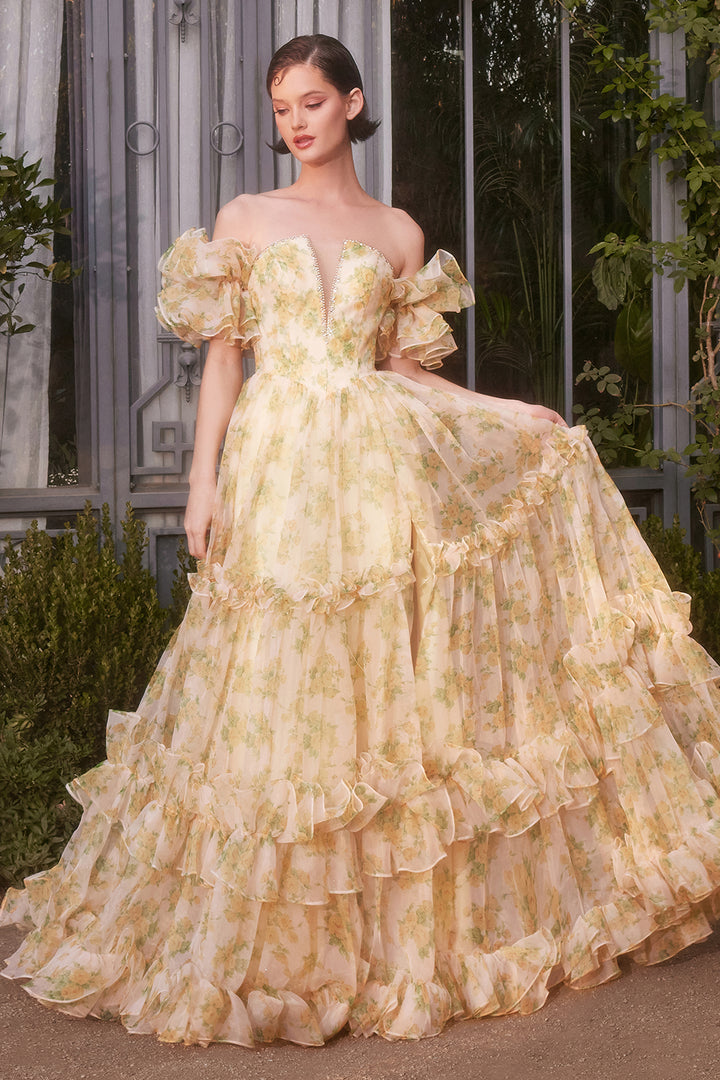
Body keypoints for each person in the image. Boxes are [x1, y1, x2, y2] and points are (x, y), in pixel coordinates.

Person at [2, 33, 720, 1049]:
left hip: (378, 474)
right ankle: (269, 938)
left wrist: (510, 411)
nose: (293, 122)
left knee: (383, 682)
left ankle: (387, 937)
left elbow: (405, 373)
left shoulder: (397, 231)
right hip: (281, 469)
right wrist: (202, 484)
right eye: (280, 107)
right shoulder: (247, 218)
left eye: (310, 101)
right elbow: (225, 363)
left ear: (351, 101)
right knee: (277, 674)